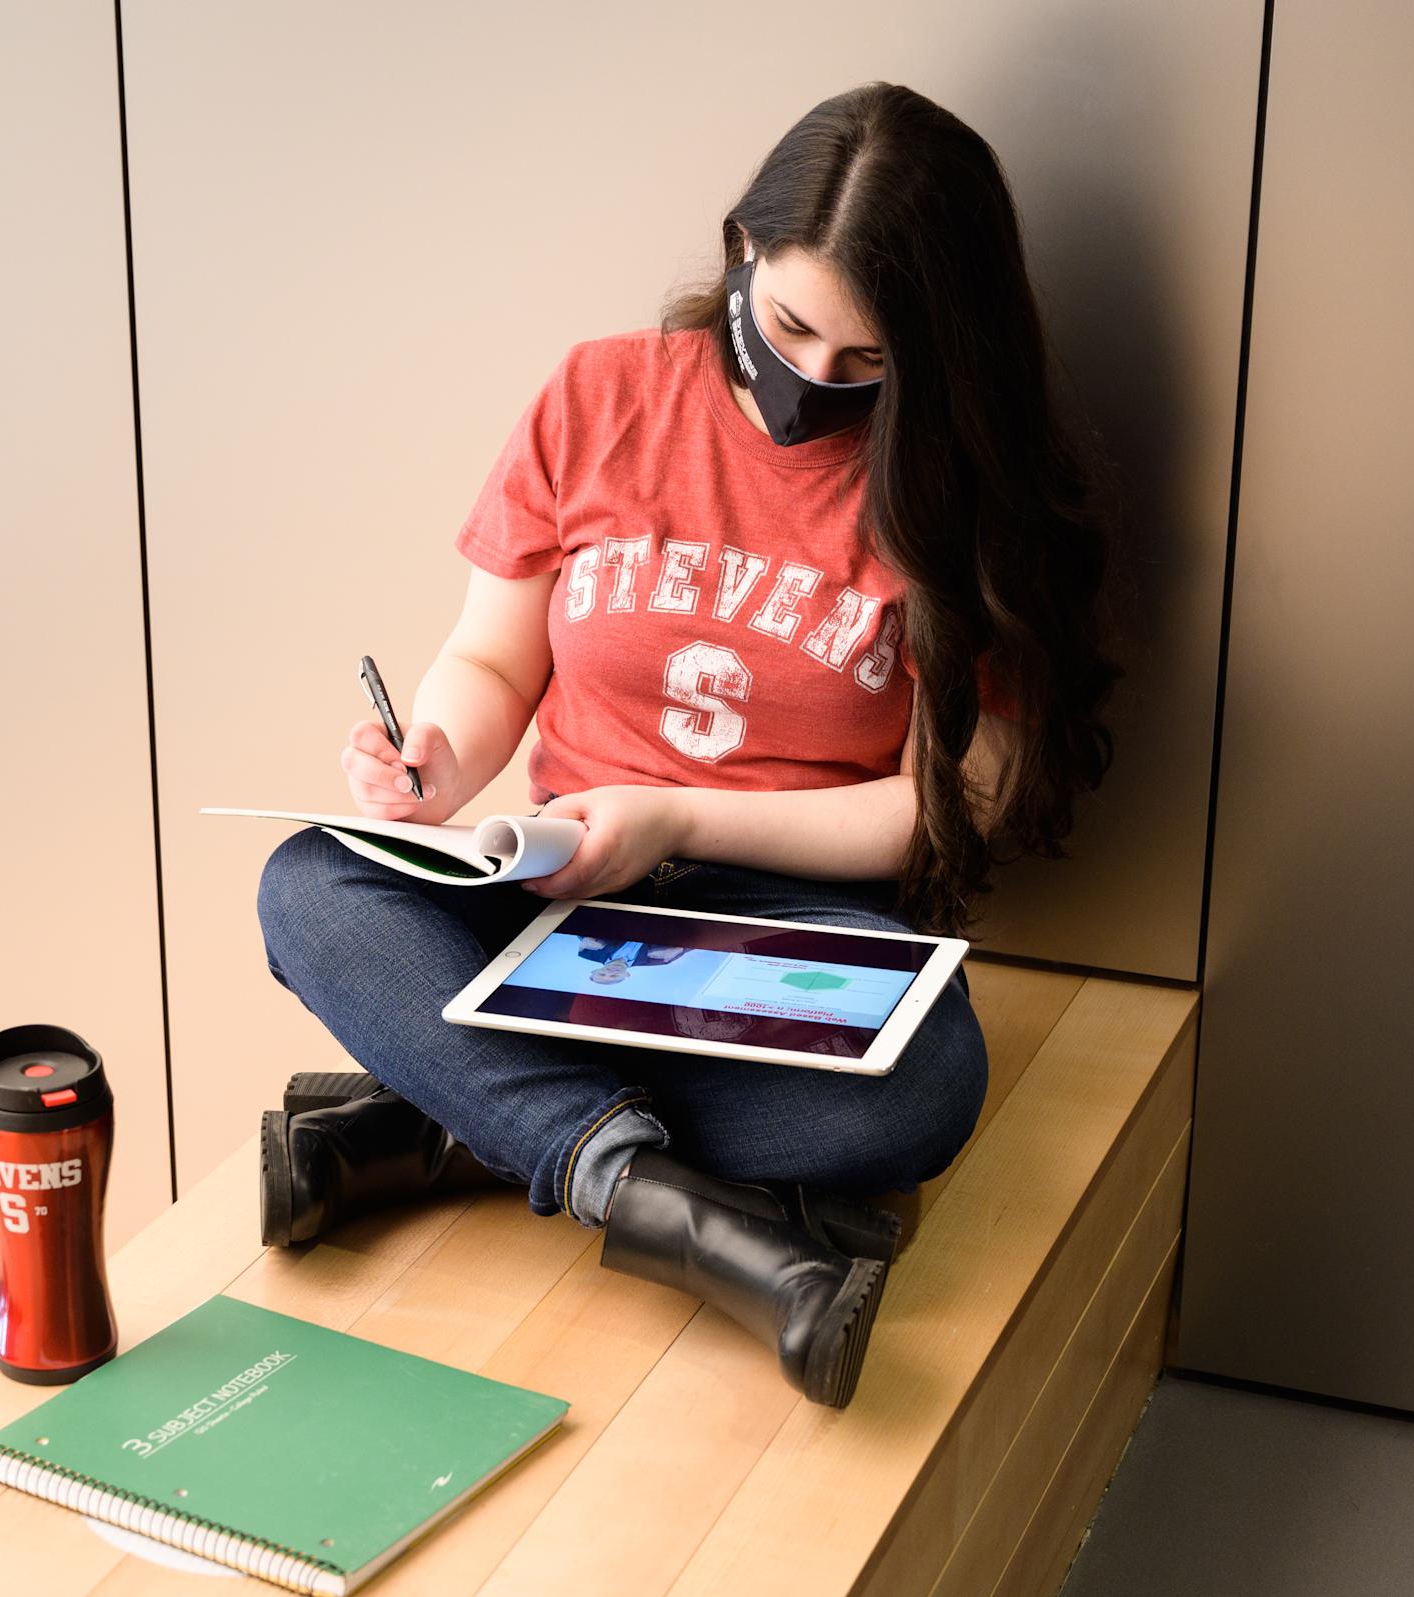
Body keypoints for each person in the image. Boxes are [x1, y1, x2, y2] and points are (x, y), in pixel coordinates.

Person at [257, 81, 1123, 1408]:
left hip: (783, 936)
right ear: (742, 252)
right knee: (310, 885)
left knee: (928, 1085)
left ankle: (458, 1124)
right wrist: (435, 756)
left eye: (866, 363)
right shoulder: (601, 394)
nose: (811, 384)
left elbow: (951, 804)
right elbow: (495, 656)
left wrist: (675, 818)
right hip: (554, 887)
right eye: (787, 327)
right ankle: (662, 1200)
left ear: (938, 352)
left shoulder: (963, 487)